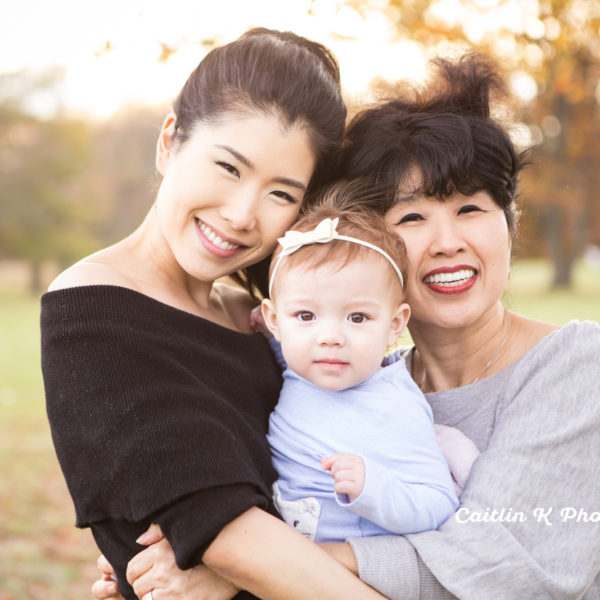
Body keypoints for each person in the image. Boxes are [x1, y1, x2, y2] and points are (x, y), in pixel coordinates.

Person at [97, 51, 600, 600]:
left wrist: (249, 568)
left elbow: (500, 569)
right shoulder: (345, 375)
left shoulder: (576, 365)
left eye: (471, 209)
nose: (448, 242)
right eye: (412, 217)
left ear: (510, 221)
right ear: (366, 248)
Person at [41, 27, 391, 600]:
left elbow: (300, 499)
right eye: (228, 167)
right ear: (169, 141)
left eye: (281, 194)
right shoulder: (92, 313)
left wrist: (230, 569)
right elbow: (226, 530)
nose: (241, 214)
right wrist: (232, 558)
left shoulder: (259, 317)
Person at [258, 191, 465, 543]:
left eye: (357, 317)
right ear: (275, 320)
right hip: (282, 555)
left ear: (395, 325)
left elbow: (440, 501)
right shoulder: (302, 363)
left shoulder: (395, 407)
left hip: (352, 574)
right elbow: (288, 349)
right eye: (305, 315)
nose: (330, 337)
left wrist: (374, 487)